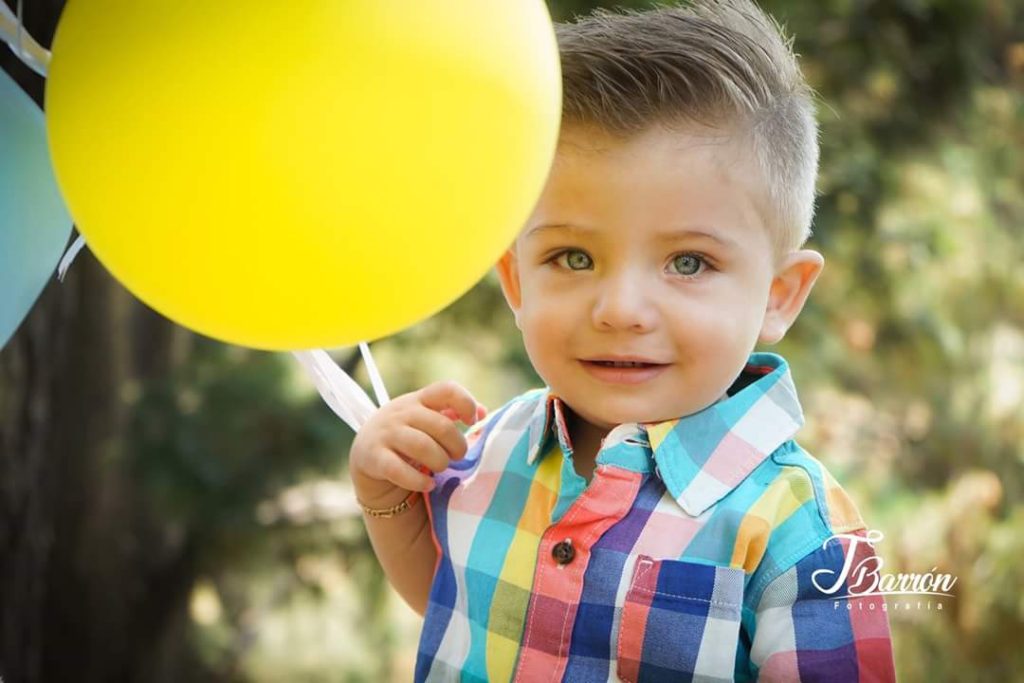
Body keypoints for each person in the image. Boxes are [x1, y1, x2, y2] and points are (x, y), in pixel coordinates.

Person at [349, 0, 897, 680]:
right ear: (516, 280)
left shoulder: (795, 532)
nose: (620, 309)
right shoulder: (493, 446)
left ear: (778, 294)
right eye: (573, 258)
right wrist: (386, 493)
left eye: (688, 262)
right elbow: (457, 604)